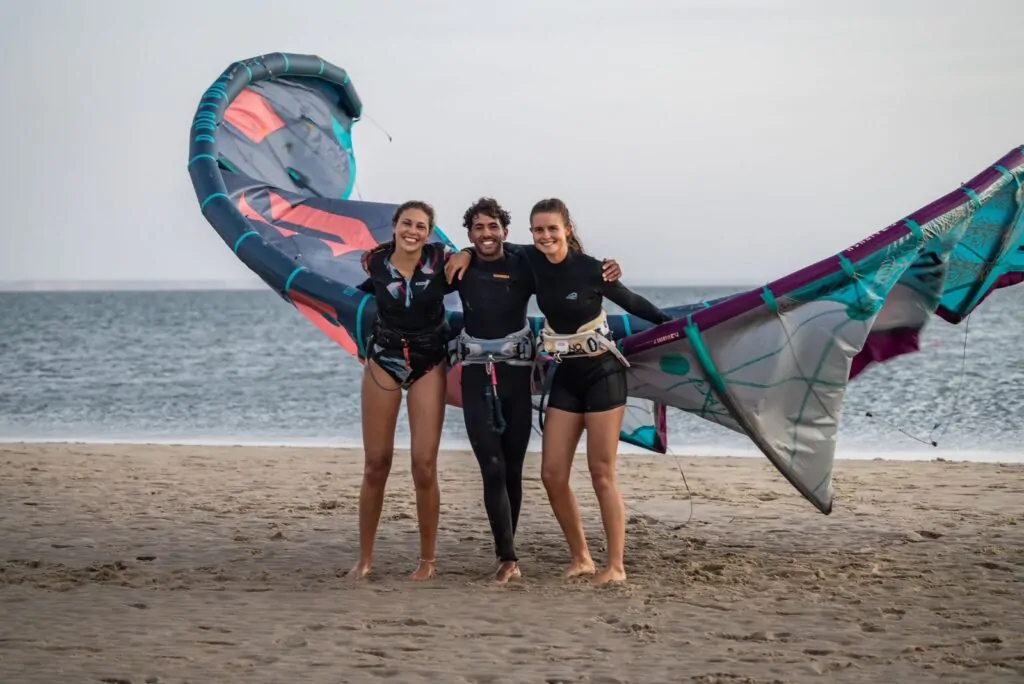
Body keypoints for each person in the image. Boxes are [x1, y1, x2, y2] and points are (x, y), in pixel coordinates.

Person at [446, 198, 671, 585]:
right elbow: (493, 245)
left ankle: (615, 565)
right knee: (551, 474)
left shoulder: (591, 269)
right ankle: (582, 557)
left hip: (603, 372)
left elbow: (635, 304)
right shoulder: (529, 261)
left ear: (567, 228)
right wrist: (465, 252)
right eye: (539, 230)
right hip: (565, 375)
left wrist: (676, 325)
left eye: (553, 228)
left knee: (601, 472)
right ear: (531, 234)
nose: (546, 236)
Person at [349, 200, 455, 582]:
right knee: (376, 463)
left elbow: (490, 266)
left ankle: (427, 561)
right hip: (384, 360)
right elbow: (355, 295)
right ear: (394, 226)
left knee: (423, 465)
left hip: (429, 362)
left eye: (421, 226)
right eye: (407, 223)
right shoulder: (374, 261)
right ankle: (364, 560)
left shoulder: (444, 259)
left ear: (430, 232)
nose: (413, 231)